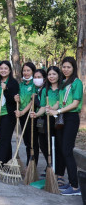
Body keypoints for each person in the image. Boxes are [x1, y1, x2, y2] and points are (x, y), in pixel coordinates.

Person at [47, 57, 83, 196]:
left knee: (67, 150)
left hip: (71, 118)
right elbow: (59, 103)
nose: (65, 69)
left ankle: (75, 188)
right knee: (63, 149)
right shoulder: (63, 82)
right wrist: (51, 108)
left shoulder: (77, 83)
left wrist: (58, 111)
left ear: (73, 68)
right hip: (62, 118)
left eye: (68, 67)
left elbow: (75, 103)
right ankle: (71, 182)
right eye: (64, 67)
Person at [31, 66, 63, 181]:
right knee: (44, 144)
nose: (51, 77)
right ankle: (50, 166)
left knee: (58, 145)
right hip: (47, 119)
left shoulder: (62, 88)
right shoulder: (45, 89)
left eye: (54, 74)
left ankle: (59, 173)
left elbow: (59, 103)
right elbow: (43, 107)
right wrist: (37, 114)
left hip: (59, 119)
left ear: (58, 75)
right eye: (50, 74)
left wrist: (52, 109)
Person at [14, 62, 39, 165]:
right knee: (27, 142)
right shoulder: (21, 85)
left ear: (33, 71)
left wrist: (23, 112)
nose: (26, 72)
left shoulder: (35, 84)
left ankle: (33, 165)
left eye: (28, 70)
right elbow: (21, 100)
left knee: (33, 142)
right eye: (24, 70)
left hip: (32, 115)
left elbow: (32, 101)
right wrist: (17, 100)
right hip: (23, 116)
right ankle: (29, 163)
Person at [0, 61, 19, 164]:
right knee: (3, 138)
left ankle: (1, 162)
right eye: (1, 68)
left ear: (9, 70)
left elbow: (13, 100)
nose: (3, 70)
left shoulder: (13, 83)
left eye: (6, 68)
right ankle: (8, 161)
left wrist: (6, 89)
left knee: (4, 139)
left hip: (8, 115)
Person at [31, 69, 48, 177]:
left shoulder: (45, 90)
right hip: (39, 119)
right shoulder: (38, 89)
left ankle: (51, 166)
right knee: (42, 144)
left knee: (45, 144)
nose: (37, 79)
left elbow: (42, 104)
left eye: (39, 77)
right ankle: (49, 165)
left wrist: (35, 98)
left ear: (44, 78)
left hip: (46, 119)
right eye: (35, 77)